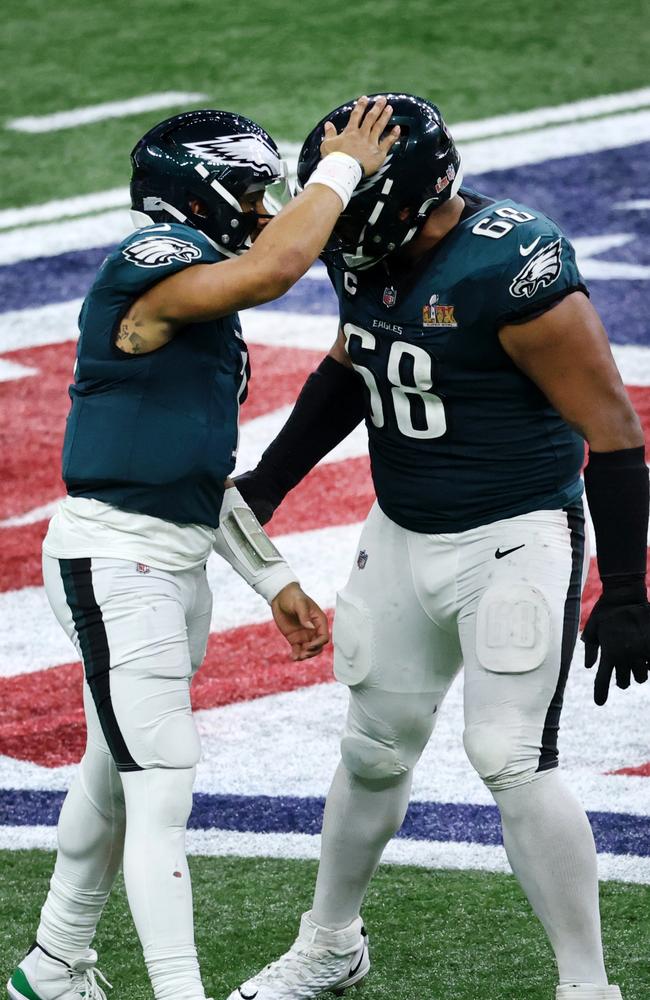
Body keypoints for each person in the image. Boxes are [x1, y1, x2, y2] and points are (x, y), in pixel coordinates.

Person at [229, 94, 650, 1000]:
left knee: (508, 757)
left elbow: (614, 433)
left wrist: (625, 588)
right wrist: (270, 480)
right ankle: (330, 942)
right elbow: (357, 357)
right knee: (374, 747)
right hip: (401, 527)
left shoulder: (512, 268)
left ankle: (588, 988)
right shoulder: (372, 247)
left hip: (513, 534)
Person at [7, 99, 400, 1000]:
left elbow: (186, 472)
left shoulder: (205, 306)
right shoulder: (155, 260)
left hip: (164, 557)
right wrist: (340, 171)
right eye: (257, 190)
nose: (267, 208)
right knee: (160, 791)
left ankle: (54, 964)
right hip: (117, 559)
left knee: (115, 772)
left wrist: (271, 575)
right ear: (204, 191)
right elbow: (275, 268)